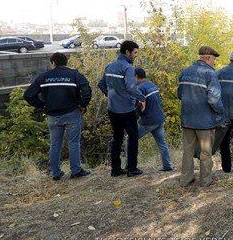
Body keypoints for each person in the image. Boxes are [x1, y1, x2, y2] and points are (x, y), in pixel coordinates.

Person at [24, 52, 92, 180]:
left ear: (53, 63)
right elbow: (87, 90)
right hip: (72, 113)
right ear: (65, 62)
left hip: (53, 116)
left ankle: (55, 173)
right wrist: (83, 104)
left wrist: (42, 106)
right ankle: (76, 171)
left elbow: (28, 95)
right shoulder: (74, 75)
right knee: (73, 143)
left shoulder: (43, 77)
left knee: (55, 144)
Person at [177, 45, 225, 187]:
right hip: (205, 121)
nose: (215, 63)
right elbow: (214, 100)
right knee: (205, 152)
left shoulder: (184, 72)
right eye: (214, 60)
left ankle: (186, 179)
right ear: (208, 58)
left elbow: (180, 94)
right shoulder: (210, 74)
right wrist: (221, 112)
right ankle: (205, 180)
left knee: (187, 151)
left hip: (187, 120)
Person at [98, 40, 146, 177]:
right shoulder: (128, 68)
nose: (136, 55)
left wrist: (111, 95)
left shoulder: (110, 66)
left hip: (112, 109)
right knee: (133, 136)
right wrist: (142, 98)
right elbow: (131, 87)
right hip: (126, 109)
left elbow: (101, 84)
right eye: (135, 52)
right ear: (127, 52)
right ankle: (132, 168)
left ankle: (116, 169)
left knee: (117, 138)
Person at [124, 68, 174, 172]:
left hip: (148, 120)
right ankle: (167, 165)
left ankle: (129, 165)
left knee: (130, 138)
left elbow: (141, 106)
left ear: (136, 76)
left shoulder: (140, 88)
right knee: (162, 143)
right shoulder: (152, 85)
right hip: (159, 118)